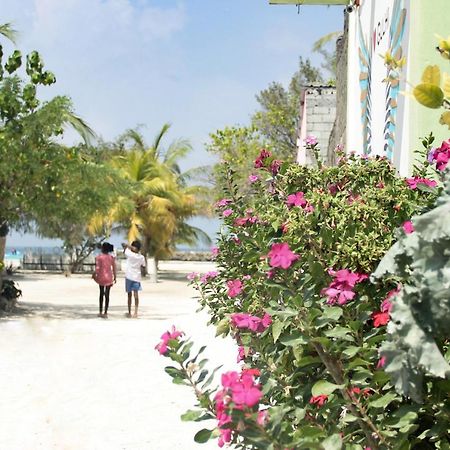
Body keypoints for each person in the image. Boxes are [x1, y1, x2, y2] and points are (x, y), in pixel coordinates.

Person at [122, 240, 146, 318]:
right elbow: (143, 266)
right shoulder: (141, 257)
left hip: (129, 276)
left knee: (129, 295)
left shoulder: (129, 254)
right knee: (136, 295)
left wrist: (129, 246)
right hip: (136, 277)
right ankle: (135, 312)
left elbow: (123, 245)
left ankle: (129, 312)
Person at [93, 242, 116, 318]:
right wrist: (115, 277)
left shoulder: (99, 257)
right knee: (107, 295)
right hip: (109, 277)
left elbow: (98, 268)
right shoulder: (111, 257)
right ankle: (105, 312)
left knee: (101, 294)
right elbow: (114, 268)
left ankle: (100, 311)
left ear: (102, 249)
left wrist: (94, 275)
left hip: (101, 277)